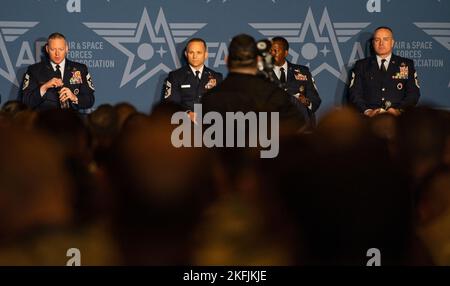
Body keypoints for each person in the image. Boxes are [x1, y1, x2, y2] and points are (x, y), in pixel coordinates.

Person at [201, 34, 307, 133]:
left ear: (226, 59)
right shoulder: (274, 95)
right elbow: (298, 127)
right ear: (258, 60)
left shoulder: (209, 98)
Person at [349, 26, 420, 117]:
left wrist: (398, 110)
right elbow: (355, 94)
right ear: (373, 43)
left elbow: (413, 94)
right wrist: (368, 111)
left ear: (392, 42)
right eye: (377, 40)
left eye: (385, 39)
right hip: (369, 119)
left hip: (398, 119)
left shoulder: (406, 64)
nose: (381, 43)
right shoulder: (361, 65)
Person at [21, 32, 95, 111]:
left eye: (61, 49)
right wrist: (44, 87)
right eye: (53, 49)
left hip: (72, 120)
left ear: (66, 49)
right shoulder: (34, 70)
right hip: (44, 121)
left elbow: (90, 100)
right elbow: (26, 102)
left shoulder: (80, 69)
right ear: (47, 49)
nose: (57, 54)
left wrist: (74, 97)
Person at [164, 38, 223, 122]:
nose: (195, 56)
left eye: (199, 52)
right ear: (186, 54)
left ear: (206, 55)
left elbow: (220, 106)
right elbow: (170, 105)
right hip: (183, 127)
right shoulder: (175, 76)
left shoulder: (217, 77)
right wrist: (187, 114)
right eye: (191, 52)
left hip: (210, 127)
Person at [270, 36, 321, 126]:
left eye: (276, 50)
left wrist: (305, 101)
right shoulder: (263, 73)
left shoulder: (303, 71)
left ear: (285, 53)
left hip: (300, 126)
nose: (272, 54)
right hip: (273, 127)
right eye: (270, 51)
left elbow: (315, 100)